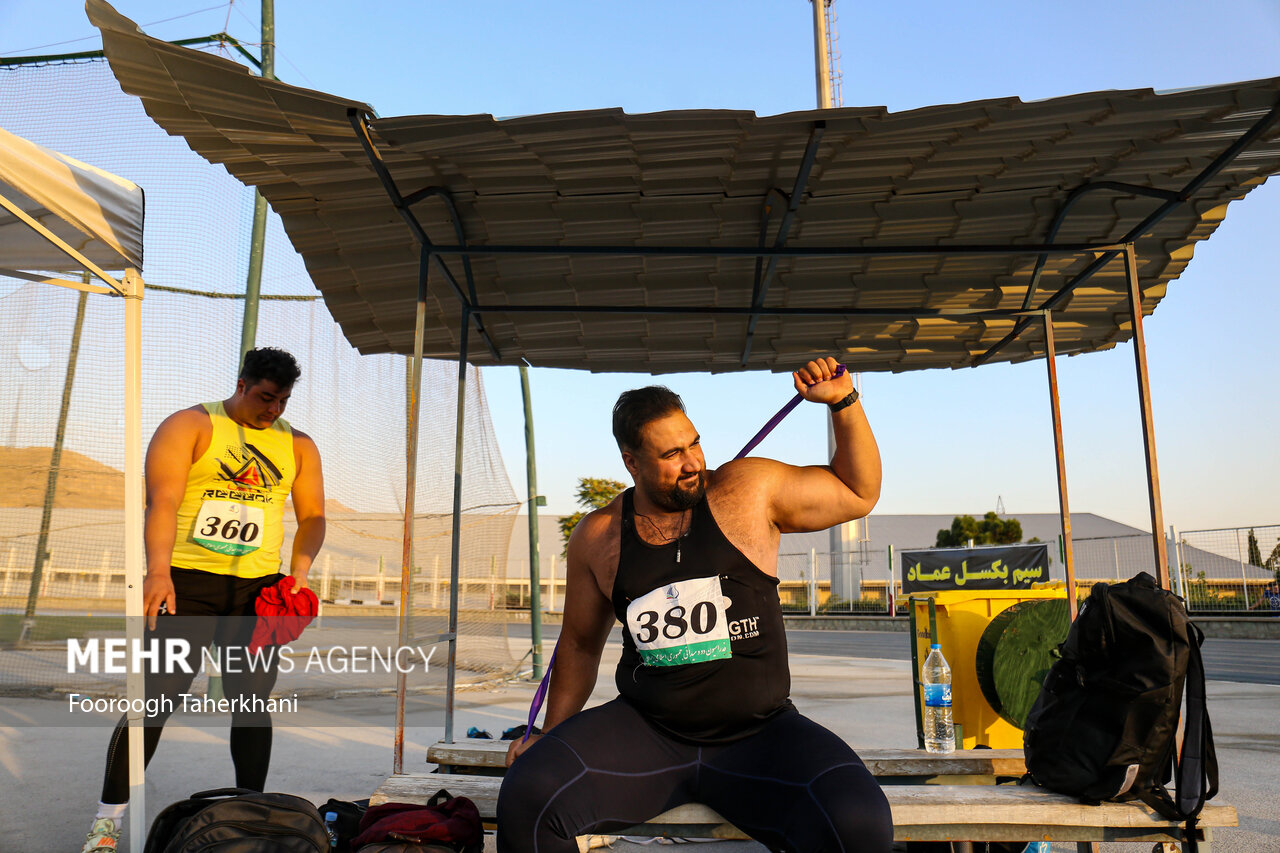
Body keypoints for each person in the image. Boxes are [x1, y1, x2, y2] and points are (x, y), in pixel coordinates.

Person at [497, 357, 892, 853]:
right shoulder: (597, 536)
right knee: (526, 795)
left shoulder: (746, 491)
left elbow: (858, 492)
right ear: (632, 462)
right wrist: (549, 736)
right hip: (647, 733)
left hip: (760, 736)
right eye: (671, 454)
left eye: (695, 444)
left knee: (860, 823)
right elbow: (578, 644)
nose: (693, 463)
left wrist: (844, 403)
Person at [81, 347, 326, 853]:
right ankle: (105, 828)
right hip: (187, 582)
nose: (272, 409)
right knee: (154, 700)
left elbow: (313, 516)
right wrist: (157, 571)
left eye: (281, 401)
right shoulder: (190, 425)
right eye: (264, 397)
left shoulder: (298, 446)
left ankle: (253, 818)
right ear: (241, 384)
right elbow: (163, 500)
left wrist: (299, 571)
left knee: (252, 704)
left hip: (257, 590)